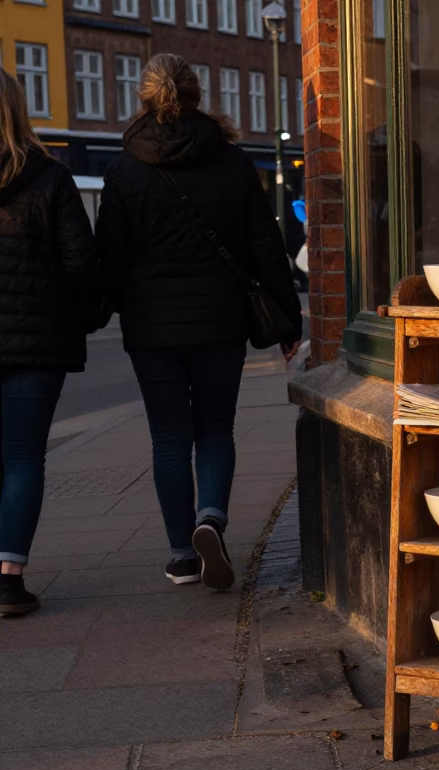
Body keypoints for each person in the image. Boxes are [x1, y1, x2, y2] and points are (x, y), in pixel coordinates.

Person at [97, 54, 301, 590]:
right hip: (219, 321)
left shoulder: (122, 171)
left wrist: (101, 308)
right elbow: (265, 245)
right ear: (196, 95)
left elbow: (109, 258)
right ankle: (211, 515)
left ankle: (181, 555)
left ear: (143, 97)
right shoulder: (232, 164)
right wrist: (288, 320)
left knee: (168, 438)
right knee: (215, 428)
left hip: (151, 327)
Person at [0, 69, 102, 615]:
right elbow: (81, 263)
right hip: (37, 342)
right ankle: (9, 578)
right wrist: (85, 317)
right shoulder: (50, 178)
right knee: (22, 457)